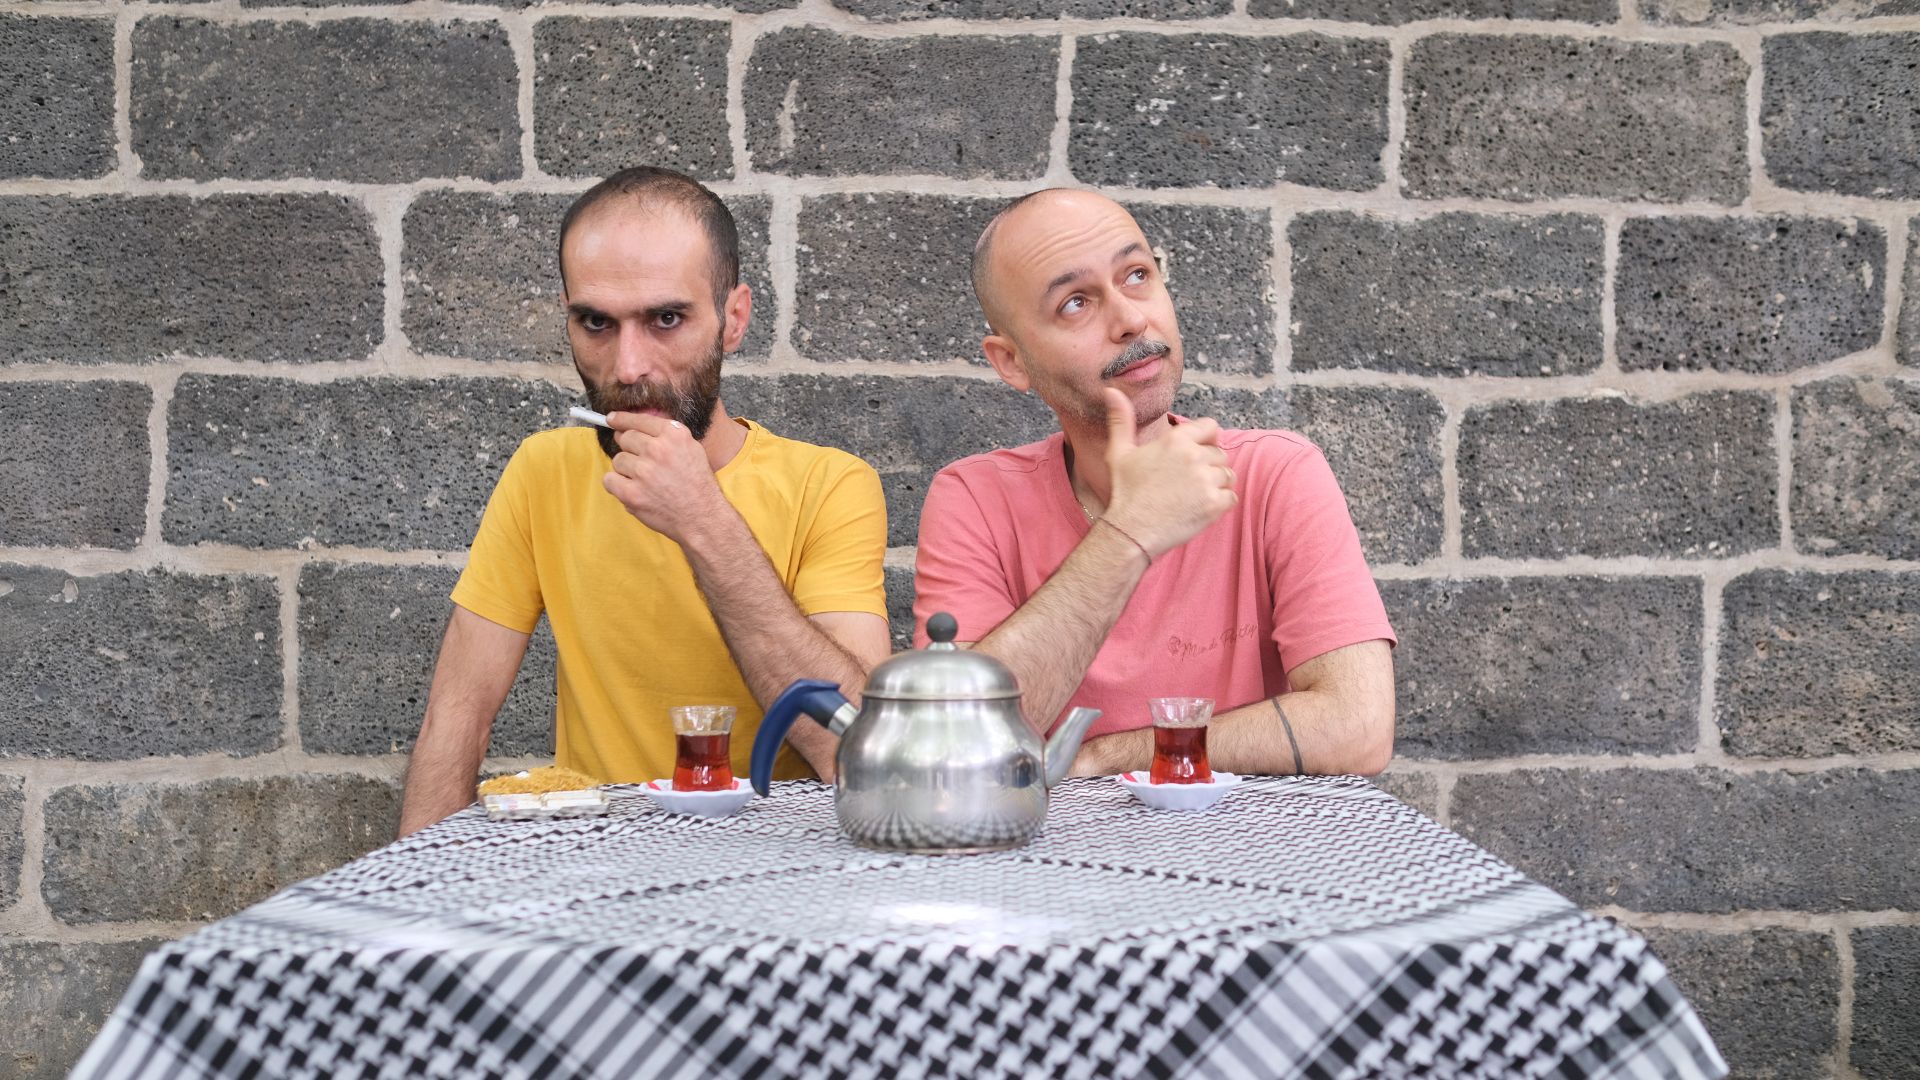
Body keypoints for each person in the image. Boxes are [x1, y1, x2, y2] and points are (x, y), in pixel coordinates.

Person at [398, 167, 889, 836]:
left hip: (776, 862)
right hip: (596, 860)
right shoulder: (545, 470)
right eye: (596, 323)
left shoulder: (828, 485)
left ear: (733, 319)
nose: (628, 367)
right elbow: (457, 716)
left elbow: (860, 753)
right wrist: (413, 888)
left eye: (666, 319)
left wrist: (703, 521)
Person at [912, 188, 1395, 777]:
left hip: (1251, 834)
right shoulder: (976, 499)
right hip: (1055, 838)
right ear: (1011, 361)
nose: (1131, 320)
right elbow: (956, 746)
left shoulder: (1276, 475)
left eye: (1137, 275)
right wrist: (1129, 532)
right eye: (1074, 303)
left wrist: (1105, 755)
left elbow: (1358, 728)